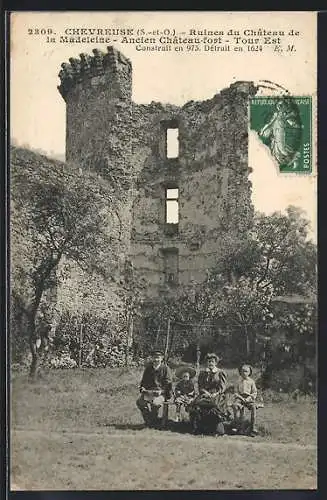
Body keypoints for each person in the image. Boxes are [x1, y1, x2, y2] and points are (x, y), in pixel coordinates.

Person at [189, 353, 228, 435]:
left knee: (215, 407)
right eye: (209, 361)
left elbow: (223, 387)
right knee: (196, 405)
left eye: (212, 361)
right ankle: (200, 428)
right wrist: (206, 392)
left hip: (217, 394)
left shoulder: (220, 372)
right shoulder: (203, 373)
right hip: (205, 393)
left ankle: (215, 429)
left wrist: (216, 393)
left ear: (216, 363)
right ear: (206, 362)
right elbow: (200, 386)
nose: (210, 363)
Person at [136, 350, 173, 428]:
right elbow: (143, 381)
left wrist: (162, 391)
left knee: (155, 403)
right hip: (149, 392)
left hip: (161, 393)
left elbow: (168, 383)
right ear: (152, 358)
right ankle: (149, 421)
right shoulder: (148, 369)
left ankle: (153, 422)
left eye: (158, 358)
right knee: (140, 402)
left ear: (162, 358)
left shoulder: (165, 369)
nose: (156, 360)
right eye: (154, 358)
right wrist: (142, 388)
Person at [232, 364, 259, 437]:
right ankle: (237, 427)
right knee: (235, 406)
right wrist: (241, 398)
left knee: (253, 407)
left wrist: (248, 399)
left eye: (246, 371)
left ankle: (253, 428)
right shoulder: (238, 381)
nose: (244, 373)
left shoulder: (251, 382)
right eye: (242, 371)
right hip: (240, 398)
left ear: (249, 372)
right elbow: (235, 392)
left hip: (249, 398)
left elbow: (254, 393)